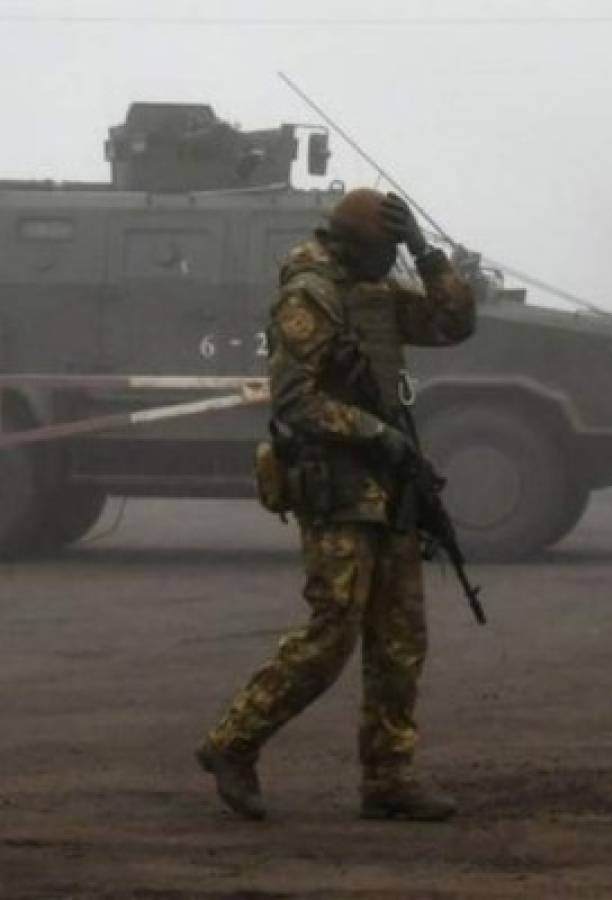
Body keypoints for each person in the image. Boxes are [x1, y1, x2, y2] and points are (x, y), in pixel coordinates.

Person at [196, 188, 476, 821]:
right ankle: (232, 743)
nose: (392, 266)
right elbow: (296, 403)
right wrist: (382, 437)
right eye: (388, 252)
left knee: (401, 638)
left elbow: (454, 322)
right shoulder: (309, 297)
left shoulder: (373, 291)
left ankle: (389, 776)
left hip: (390, 485)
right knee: (332, 634)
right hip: (339, 485)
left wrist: (425, 251)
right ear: (357, 246)